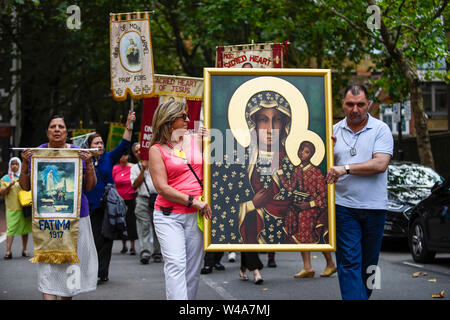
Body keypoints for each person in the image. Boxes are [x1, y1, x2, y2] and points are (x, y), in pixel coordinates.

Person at [18, 115, 98, 300]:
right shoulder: (37, 153)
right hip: (46, 221)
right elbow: (25, 186)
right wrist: (24, 163)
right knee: (48, 269)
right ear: (47, 132)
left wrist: (88, 164)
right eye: (52, 126)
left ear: (66, 132)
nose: (56, 129)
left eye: (60, 126)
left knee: (71, 269)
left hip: (76, 219)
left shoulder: (78, 152)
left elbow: (89, 187)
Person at [326, 84, 393, 300]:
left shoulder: (381, 129)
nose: (355, 110)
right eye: (350, 104)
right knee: (349, 261)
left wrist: (345, 168)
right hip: (344, 207)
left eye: (360, 104)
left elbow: (380, 164)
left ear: (369, 105)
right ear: (342, 105)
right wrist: (327, 152)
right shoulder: (332, 132)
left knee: (370, 266)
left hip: (375, 207)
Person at [148, 98, 212, 300]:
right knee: (176, 264)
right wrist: (194, 201)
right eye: (183, 116)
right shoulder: (156, 150)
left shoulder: (194, 139)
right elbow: (162, 188)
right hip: (168, 215)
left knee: (193, 269)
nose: (188, 119)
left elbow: (213, 166)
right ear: (169, 120)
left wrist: (209, 140)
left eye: (187, 115)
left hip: (196, 216)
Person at [86, 110, 136, 284]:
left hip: (108, 206)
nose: (100, 146)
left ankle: (102, 272)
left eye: (101, 143)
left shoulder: (108, 158)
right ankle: (91, 270)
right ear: (89, 145)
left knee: (106, 237)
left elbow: (124, 144)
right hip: (90, 207)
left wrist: (129, 124)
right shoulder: (83, 160)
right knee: (92, 238)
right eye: (96, 143)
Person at [280, 141, 336, 278]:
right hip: (301, 205)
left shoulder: (316, 172)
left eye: (306, 152)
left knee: (304, 221)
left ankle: (330, 263)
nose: (302, 153)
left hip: (315, 208)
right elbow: (291, 187)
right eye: (301, 150)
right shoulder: (298, 169)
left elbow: (323, 196)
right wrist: (281, 173)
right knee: (292, 214)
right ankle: (308, 267)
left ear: (311, 155)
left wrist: (308, 205)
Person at [130, 142, 162, 264]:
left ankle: (157, 252)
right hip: (142, 199)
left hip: (157, 199)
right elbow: (135, 185)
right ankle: (145, 252)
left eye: (141, 150)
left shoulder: (157, 165)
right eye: (136, 151)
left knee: (158, 226)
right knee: (143, 226)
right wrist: (143, 169)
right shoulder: (134, 168)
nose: (139, 153)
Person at [0, 157, 32, 259]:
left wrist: (22, 181)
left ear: (19, 166)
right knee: (11, 230)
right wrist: (10, 185)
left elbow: (28, 188)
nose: (14, 166)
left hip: (24, 207)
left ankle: (24, 249)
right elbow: (2, 193)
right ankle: (8, 251)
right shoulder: (5, 178)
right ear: (10, 166)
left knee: (25, 230)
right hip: (12, 208)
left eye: (17, 164)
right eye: (12, 164)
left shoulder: (23, 176)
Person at [112, 152, 138, 255]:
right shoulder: (115, 168)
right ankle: (124, 245)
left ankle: (132, 245)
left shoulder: (133, 167)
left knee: (131, 221)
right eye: (121, 155)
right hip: (119, 199)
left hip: (131, 197)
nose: (123, 157)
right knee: (121, 222)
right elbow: (113, 181)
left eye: (125, 155)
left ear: (128, 156)